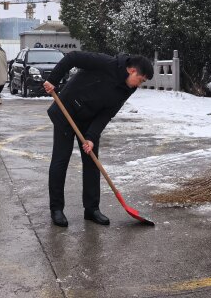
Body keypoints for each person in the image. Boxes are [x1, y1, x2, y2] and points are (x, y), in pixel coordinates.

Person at [42, 51, 153, 227]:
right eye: (141, 80)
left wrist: (91, 137)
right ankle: (56, 209)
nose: (139, 85)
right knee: (61, 160)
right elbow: (73, 57)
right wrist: (53, 79)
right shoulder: (106, 63)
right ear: (132, 71)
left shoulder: (128, 88)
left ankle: (91, 209)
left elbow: (107, 113)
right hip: (67, 110)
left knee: (92, 162)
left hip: (89, 119)